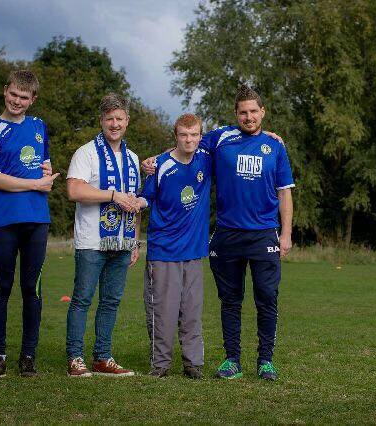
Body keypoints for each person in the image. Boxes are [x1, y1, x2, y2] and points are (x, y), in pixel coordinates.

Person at [142, 84, 294, 381]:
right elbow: (185, 142)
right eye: (243, 112)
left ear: (262, 112)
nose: (248, 117)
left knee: (266, 297)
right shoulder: (221, 138)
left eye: (253, 111)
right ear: (236, 114)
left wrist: (286, 233)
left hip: (264, 234)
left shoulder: (275, 147)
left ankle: (266, 360)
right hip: (227, 234)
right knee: (230, 300)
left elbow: (284, 193)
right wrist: (154, 162)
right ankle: (232, 360)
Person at [0, 70, 60, 378]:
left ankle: (28, 356)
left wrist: (46, 175)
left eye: (24, 97)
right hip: (4, 221)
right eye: (13, 94)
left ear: (32, 99)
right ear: (5, 91)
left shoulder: (39, 126)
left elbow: (44, 164)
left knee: (32, 289)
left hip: (37, 220)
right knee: (2, 288)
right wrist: (35, 185)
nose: (17, 101)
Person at [65, 93, 141, 377]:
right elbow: (74, 190)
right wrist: (111, 195)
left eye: (119, 118)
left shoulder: (132, 158)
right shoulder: (87, 152)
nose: (114, 123)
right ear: (101, 120)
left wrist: (135, 240)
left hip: (122, 241)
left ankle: (102, 357)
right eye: (109, 118)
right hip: (91, 241)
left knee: (111, 301)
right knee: (82, 299)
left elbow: (134, 202)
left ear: (127, 121)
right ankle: (75, 358)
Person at [137, 114, 210, 379]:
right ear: (175, 136)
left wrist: (270, 135)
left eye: (194, 135)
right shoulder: (160, 166)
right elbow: (146, 199)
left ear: (200, 136)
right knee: (163, 312)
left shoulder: (205, 158)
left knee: (192, 311)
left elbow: (238, 135)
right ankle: (160, 365)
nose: (189, 140)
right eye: (183, 135)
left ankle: (193, 363)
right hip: (164, 251)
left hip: (193, 252)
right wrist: (136, 203)